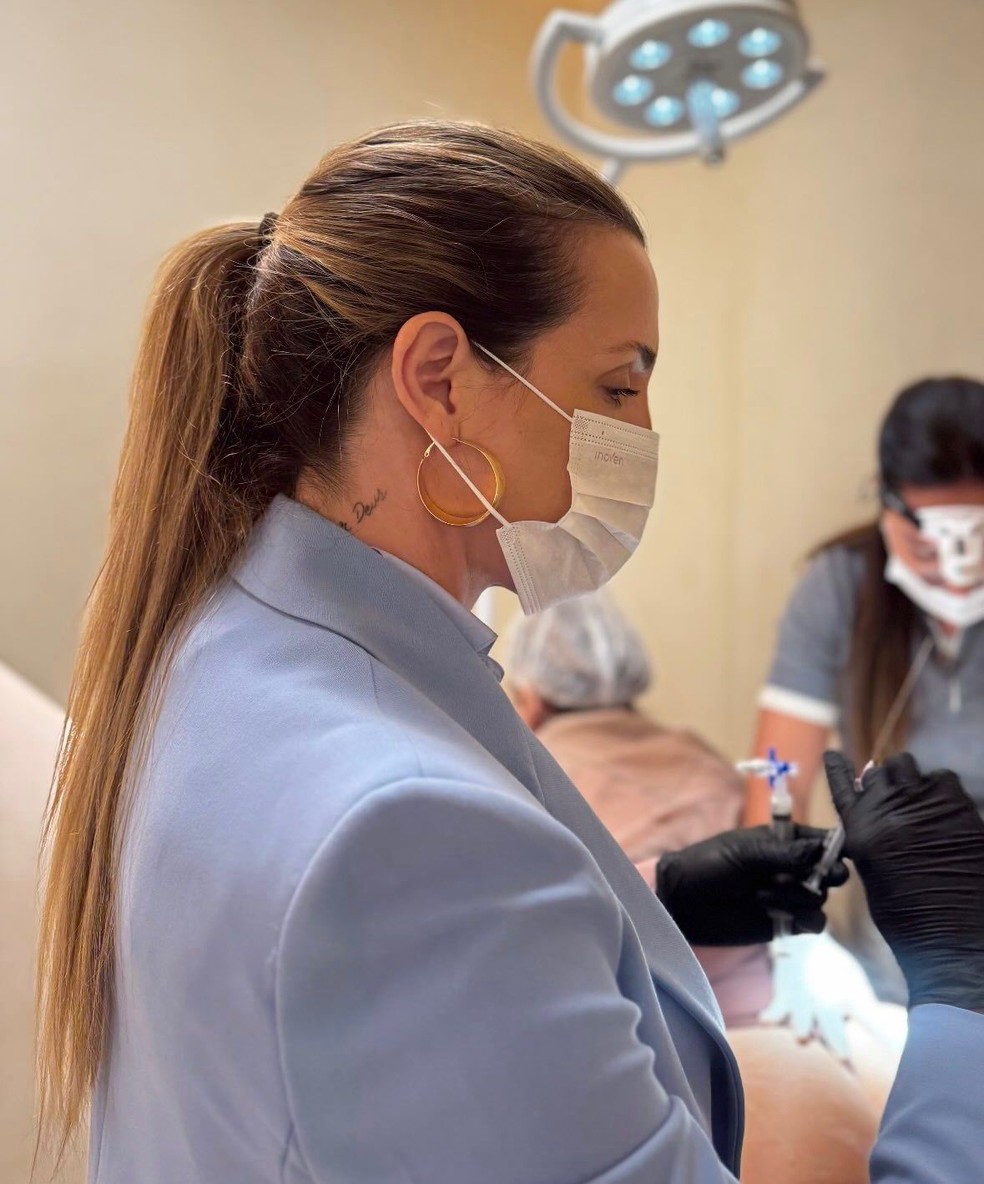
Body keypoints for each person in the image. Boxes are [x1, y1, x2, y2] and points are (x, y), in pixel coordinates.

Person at [35, 122, 984, 1183]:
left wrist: (643, 900)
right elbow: (418, 888)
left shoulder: (221, 643)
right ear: (440, 377)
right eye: (621, 386)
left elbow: (382, 983)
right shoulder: (408, 831)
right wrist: (961, 992)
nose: (643, 431)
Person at [748, 378, 984, 998]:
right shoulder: (838, 588)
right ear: (886, 503)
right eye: (930, 549)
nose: (956, 577)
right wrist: (785, 939)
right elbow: (778, 780)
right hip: (901, 946)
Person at [506, 590, 772, 1028]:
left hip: (618, 1029)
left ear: (529, 697)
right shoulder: (705, 762)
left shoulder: (526, 778)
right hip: (751, 1019)